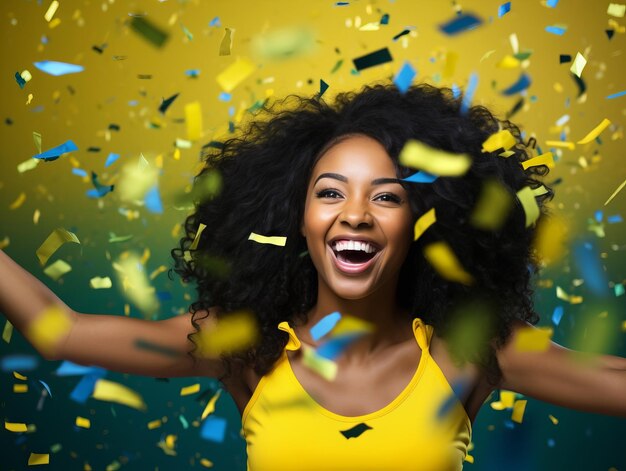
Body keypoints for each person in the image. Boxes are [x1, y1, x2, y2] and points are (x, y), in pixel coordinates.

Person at [1, 82, 625, 471]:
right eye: (330, 193)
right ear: (295, 218)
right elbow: (61, 331)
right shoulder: (245, 346)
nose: (354, 214)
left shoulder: (468, 351)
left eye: (386, 197)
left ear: (425, 222)